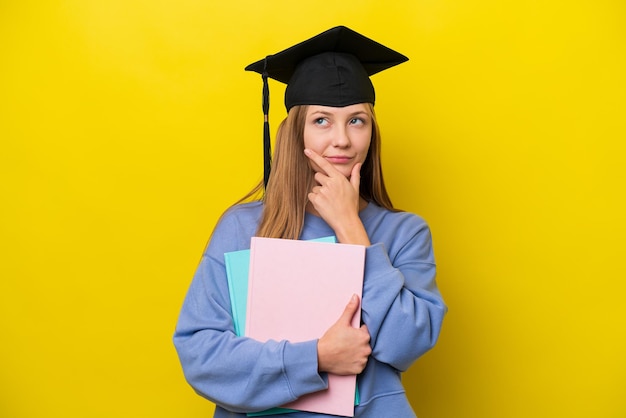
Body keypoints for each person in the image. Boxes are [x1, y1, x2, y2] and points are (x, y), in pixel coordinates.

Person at [173, 26, 447, 417]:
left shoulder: (405, 233)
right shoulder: (241, 228)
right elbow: (201, 356)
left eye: (357, 121)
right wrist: (316, 357)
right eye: (322, 121)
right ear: (294, 131)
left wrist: (351, 228)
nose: (342, 140)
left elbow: (406, 343)